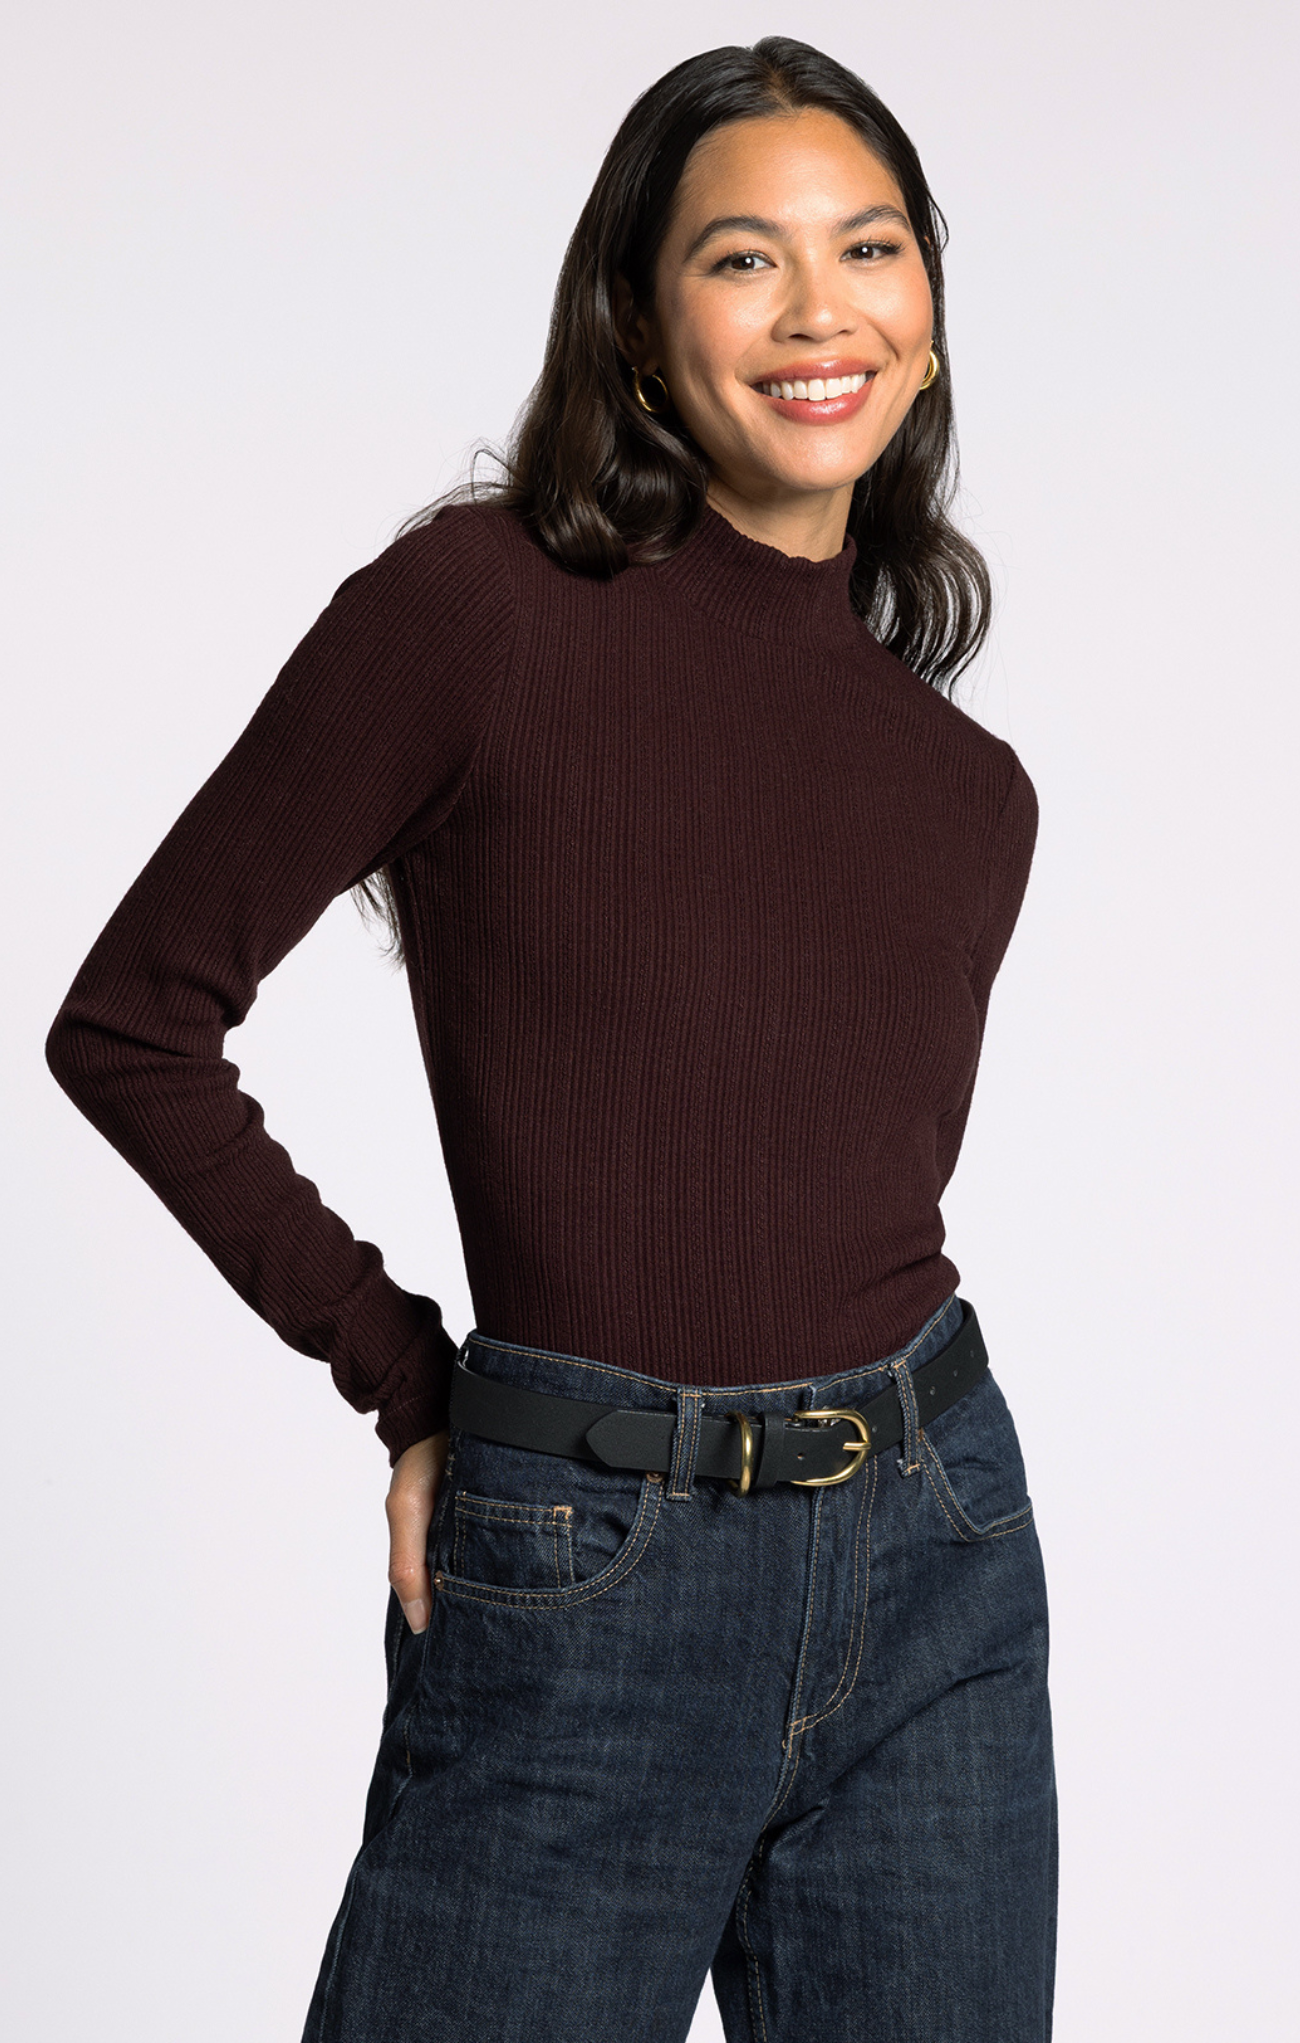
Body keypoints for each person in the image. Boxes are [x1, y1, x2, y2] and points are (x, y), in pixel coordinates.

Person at [46, 36, 1055, 2043]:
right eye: (738, 260)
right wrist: (406, 1376)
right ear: (633, 313)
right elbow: (133, 1021)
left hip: (931, 1551)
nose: (814, 309)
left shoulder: (966, 788)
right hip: (585, 1563)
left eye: (864, 248)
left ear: (925, 319)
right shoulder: (476, 613)